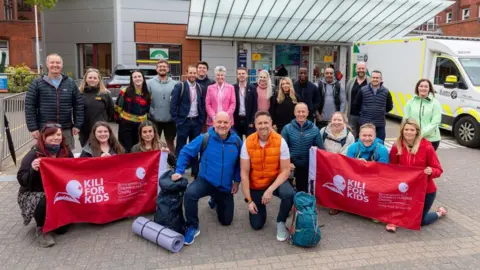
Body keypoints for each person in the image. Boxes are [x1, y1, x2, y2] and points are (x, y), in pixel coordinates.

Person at [172, 112, 242, 245]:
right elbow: (185, 151)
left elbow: (240, 162)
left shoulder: (237, 141)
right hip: (205, 180)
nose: (222, 125)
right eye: (219, 122)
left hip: (224, 186)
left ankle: (214, 200)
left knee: (226, 221)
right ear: (214, 123)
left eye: (225, 122)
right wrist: (179, 171)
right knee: (190, 194)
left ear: (230, 124)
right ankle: (192, 226)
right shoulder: (205, 138)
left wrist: (237, 181)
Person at [240, 111, 295, 242]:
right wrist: (249, 200)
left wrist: (270, 190)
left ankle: (281, 222)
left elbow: (286, 170)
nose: (263, 126)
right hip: (257, 184)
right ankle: (259, 206)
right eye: (260, 123)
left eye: (266, 122)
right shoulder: (248, 142)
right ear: (255, 125)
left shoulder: (280, 141)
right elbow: (244, 173)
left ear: (271, 124)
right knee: (257, 225)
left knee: (289, 194)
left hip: (275, 181)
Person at [17, 123, 73, 247]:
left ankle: (57, 217)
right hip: (33, 192)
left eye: (58, 134)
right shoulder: (34, 154)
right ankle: (42, 229)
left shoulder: (65, 151)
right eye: (51, 135)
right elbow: (22, 180)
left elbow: (75, 170)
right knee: (43, 200)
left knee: (62, 230)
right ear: (43, 137)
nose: (55, 137)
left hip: (57, 190)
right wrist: (32, 170)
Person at [386, 118, 447, 233]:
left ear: (417, 132)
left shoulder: (427, 147)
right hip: (405, 189)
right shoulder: (397, 146)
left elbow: (438, 169)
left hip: (425, 191)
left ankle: (439, 213)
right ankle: (394, 221)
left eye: (412, 130)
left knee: (420, 221)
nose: (409, 132)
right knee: (400, 212)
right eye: (406, 129)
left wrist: (431, 171)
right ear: (402, 131)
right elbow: (392, 168)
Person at [25, 53, 84, 150]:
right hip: (45, 129)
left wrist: (77, 125)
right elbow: (29, 106)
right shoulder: (37, 83)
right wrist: (33, 128)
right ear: (47, 64)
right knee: (46, 156)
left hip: (65, 128)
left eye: (58, 63)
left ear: (62, 65)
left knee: (67, 157)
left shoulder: (70, 83)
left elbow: (78, 105)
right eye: (52, 62)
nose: (55, 65)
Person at [170, 65, 206, 179]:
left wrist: (201, 120)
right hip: (183, 122)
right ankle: (178, 170)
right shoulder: (180, 86)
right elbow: (173, 105)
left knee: (195, 147)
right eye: (190, 73)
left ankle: (195, 172)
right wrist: (176, 120)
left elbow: (202, 104)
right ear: (186, 73)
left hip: (196, 122)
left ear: (196, 74)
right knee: (181, 146)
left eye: (194, 73)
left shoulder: (200, 88)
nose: (192, 75)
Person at [281, 103, 324, 193]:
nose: (301, 114)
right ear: (294, 113)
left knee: (304, 191)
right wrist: (287, 163)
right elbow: (281, 149)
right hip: (291, 165)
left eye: (303, 112)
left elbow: (320, 150)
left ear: (307, 113)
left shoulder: (314, 129)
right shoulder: (287, 128)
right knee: (289, 193)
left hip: (307, 166)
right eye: (298, 111)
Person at [115, 70, 151, 152]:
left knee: (139, 148)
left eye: (139, 76)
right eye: (135, 77)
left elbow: (148, 109)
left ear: (143, 78)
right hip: (126, 125)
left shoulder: (147, 92)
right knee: (127, 149)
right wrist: (120, 119)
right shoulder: (125, 91)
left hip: (141, 125)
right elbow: (118, 107)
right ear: (132, 79)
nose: (137, 78)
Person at [78, 68, 114, 147]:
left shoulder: (105, 94)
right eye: (90, 78)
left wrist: (103, 120)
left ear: (99, 80)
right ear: (86, 79)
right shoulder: (79, 94)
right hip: (84, 130)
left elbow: (110, 110)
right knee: (87, 153)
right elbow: (76, 111)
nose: (92, 80)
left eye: (95, 78)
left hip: (100, 130)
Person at [147, 59, 178, 152]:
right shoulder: (149, 83)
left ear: (168, 69)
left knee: (170, 142)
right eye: (160, 67)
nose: (162, 68)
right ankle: (155, 164)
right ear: (156, 69)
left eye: (164, 67)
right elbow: (146, 100)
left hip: (170, 119)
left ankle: (172, 162)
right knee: (154, 143)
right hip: (154, 119)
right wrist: (151, 112)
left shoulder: (175, 84)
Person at [403, 79, 442, 151]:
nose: (423, 88)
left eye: (426, 86)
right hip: (413, 138)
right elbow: (406, 119)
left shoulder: (435, 103)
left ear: (429, 88)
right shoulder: (410, 102)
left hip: (431, 139)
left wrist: (420, 133)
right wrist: (410, 133)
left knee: (428, 161)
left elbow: (435, 122)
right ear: (417, 88)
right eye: (421, 86)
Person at [355, 70, 393, 142]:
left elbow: (389, 107)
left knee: (379, 144)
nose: (375, 79)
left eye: (377, 78)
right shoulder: (362, 90)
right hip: (365, 124)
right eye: (373, 77)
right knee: (363, 143)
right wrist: (364, 112)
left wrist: (381, 112)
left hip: (379, 124)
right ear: (370, 78)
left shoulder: (386, 92)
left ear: (381, 79)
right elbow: (357, 105)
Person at [345, 62, 369, 138]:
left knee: (364, 136)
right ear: (356, 70)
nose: (361, 70)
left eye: (363, 68)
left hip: (366, 116)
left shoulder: (370, 82)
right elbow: (347, 96)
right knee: (352, 136)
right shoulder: (350, 82)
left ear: (366, 70)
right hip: (352, 115)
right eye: (359, 68)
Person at [233, 67, 258, 139]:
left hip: (248, 120)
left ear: (247, 75)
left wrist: (252, 121)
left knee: (250, 141)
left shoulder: (252, 88)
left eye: (243, 73)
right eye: (239, 73)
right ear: (237, 76)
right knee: (237, 141)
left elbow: (255, 106)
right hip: (237, 119)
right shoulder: (233, 88)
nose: (241, 75)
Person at [196, 61, 215, 133]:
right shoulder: (193, 82)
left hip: (208, 115)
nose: (202, 69)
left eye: (204, 68)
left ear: (207, 70)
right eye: (200, 68)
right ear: (196, 69)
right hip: (195, 115)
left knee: (207, 136)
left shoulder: (212, 83)